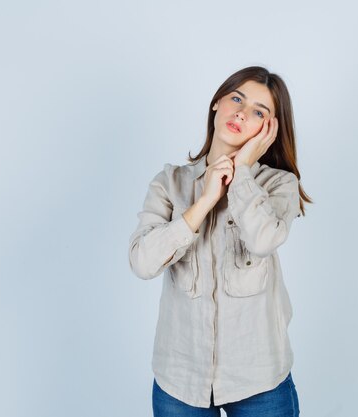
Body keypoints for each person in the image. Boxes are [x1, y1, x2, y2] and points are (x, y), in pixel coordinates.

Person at [128, 66, 312, 416]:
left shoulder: (277, 185)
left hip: (260, 382)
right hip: (179, 381)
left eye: (259, 111)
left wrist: (242, 171)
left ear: (269, 130)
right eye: (236, 98)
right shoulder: (170, 182)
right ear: (217, 103)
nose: (242, 112)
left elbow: (262, 240)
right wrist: (204, 202)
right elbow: (141, 261)